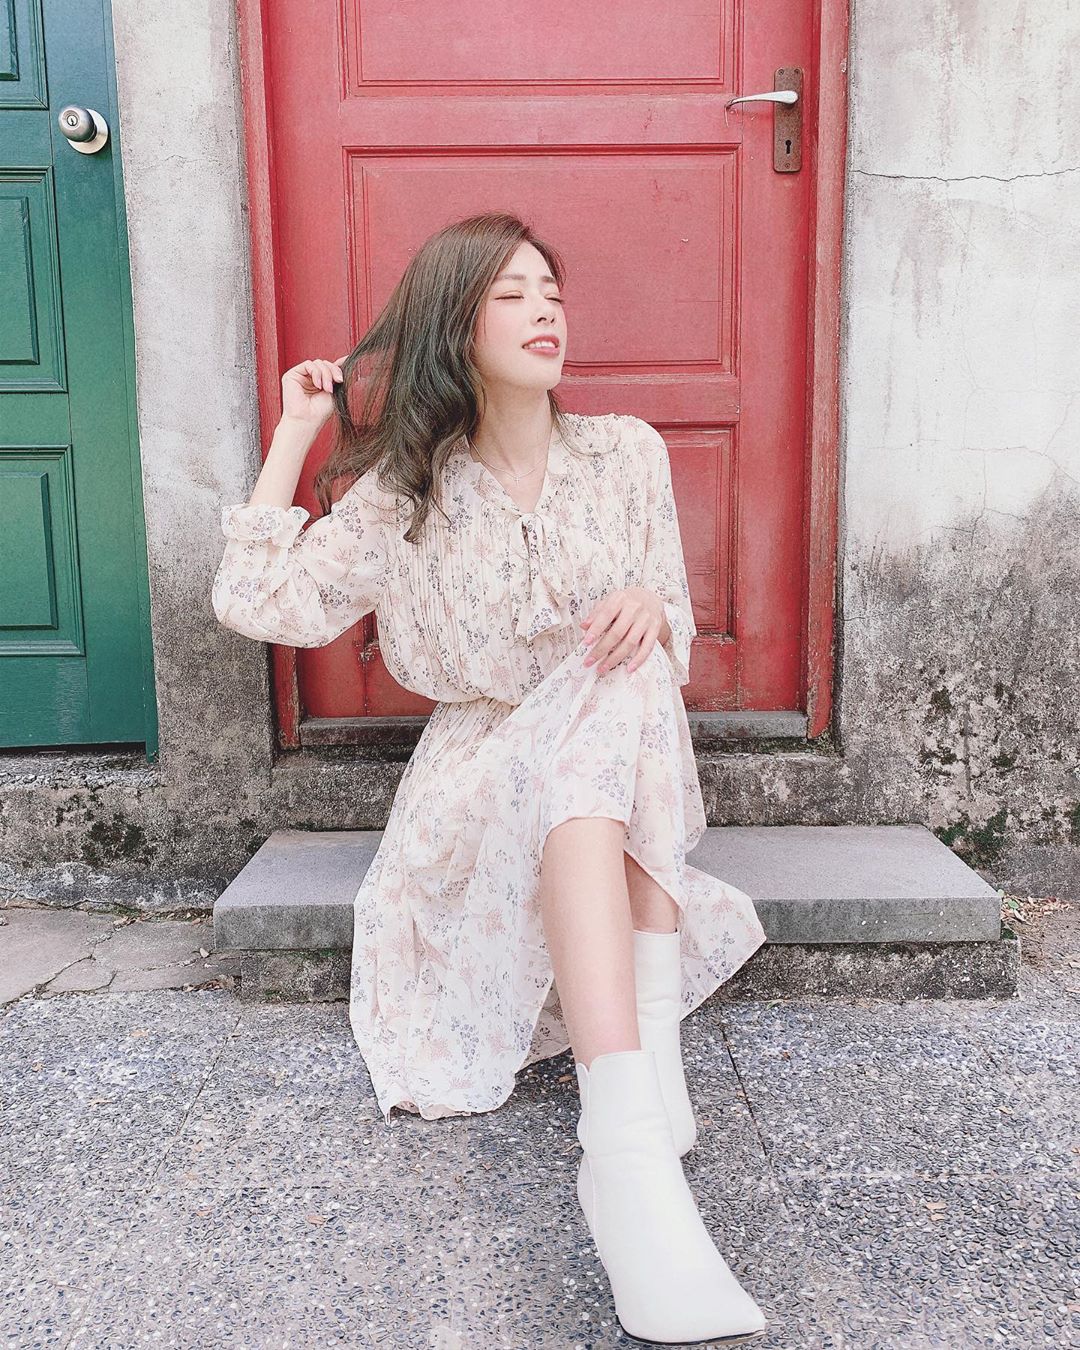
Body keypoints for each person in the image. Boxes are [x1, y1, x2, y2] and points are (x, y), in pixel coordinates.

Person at [212, 211, 769, 1343]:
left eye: (551, 290)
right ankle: (632, 1136)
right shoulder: (405, 491)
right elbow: (259, 604)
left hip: (609, 759)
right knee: (605, 706)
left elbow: (670, 615)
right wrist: (295, 433)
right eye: (511, 294)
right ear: (454, 327)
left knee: (621, 678)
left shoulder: (627, 453)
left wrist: (651, 606)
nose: (545, 309)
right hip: (477, 785)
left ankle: (631, 1114)